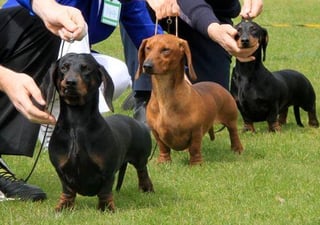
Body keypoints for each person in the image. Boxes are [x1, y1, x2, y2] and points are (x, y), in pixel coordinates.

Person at [0, 0, 164, 201]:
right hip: (24, 41)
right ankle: (64, 138)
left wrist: (178, 67)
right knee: (76, 29)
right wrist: (47, 6)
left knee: (118, 73)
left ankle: (85, 141)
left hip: (70, 57)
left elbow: (143, 29)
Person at [121, 0, 263, 123]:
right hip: (159, 10)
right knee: (135, 6)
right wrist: (214, 30)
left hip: (212, 13)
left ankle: (170, 85)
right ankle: (145, 94)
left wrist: (216, 29)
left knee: (211, 99)